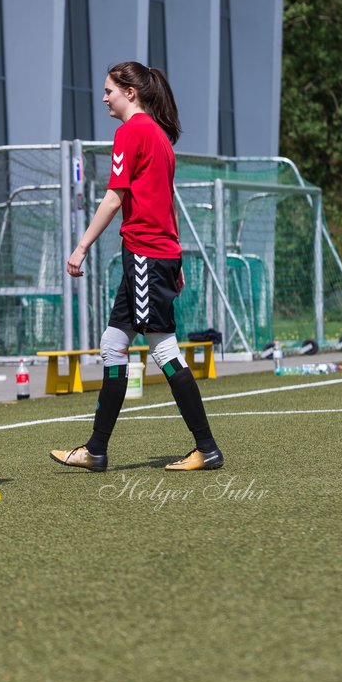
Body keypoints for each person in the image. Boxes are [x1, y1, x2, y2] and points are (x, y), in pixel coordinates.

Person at [49, 62, 224, 473]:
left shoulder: (131, 131)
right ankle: (96, 450)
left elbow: (114, 197)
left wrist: (81, 246)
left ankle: (207, 448)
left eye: (109, 89)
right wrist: (176, 256)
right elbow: (165, 201)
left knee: (163, 349)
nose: (105, 96)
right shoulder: (159, 136)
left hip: (146, 254)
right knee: (113, 345)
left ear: (131, 92)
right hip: (151, 256)